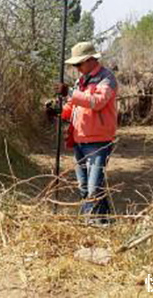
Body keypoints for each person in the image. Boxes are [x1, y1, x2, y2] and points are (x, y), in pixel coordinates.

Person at [57, 41, 118, 219]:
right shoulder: (81, 81)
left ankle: (91, 222)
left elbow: (97, 102)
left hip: (98, 141)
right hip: (79, 140)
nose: (76, 68)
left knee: (93, 188)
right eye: (74, 64)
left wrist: (69, 93)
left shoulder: (107, 79)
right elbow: (72, 106)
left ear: (91, 59)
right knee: (85, 187)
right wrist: (58, 110)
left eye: (78, 63)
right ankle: (103, 221)